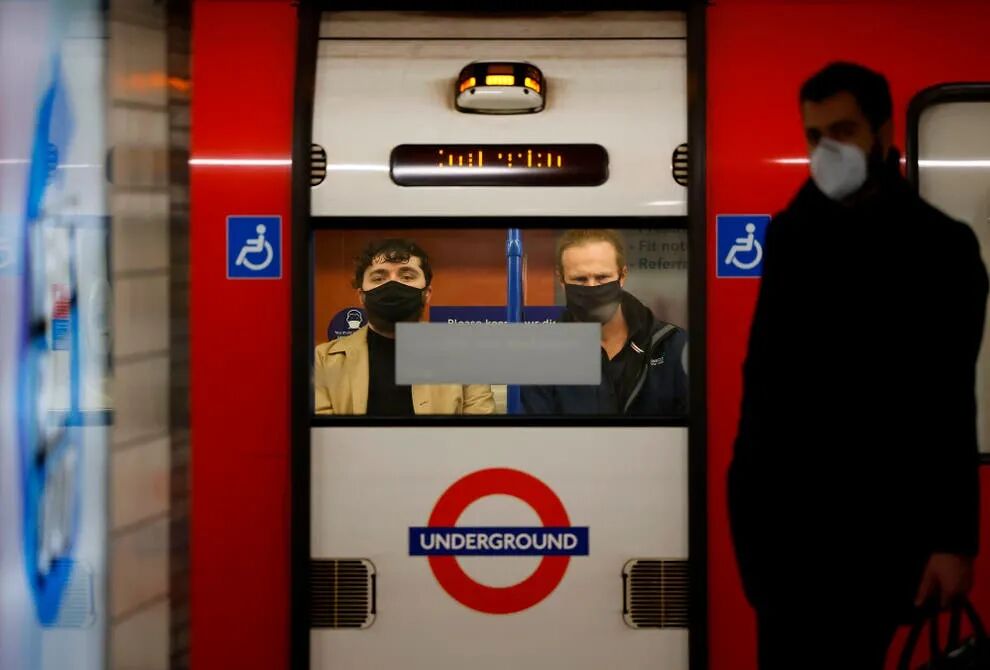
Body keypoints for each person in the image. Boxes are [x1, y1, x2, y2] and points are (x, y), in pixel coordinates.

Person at [728, 62, 989, 669]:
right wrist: (749, 516)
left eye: (843, 131)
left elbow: (949, 398)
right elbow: (763, 384)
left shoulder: (939, 247)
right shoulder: (793, 236)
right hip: (783, 541)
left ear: (883, 132)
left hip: (879, 533)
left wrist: (953, 542)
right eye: (814, 136)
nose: (827, 150)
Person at [314, 238, 495, 415]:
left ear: (427, 293)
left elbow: (480, 428)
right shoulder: (323, 360)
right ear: (362, 296)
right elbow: (321, 431)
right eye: (379, 278)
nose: (393, 285)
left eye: (407, 276)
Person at [521, 229, 688, 415]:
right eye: (580, 279)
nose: (592, 287)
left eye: (602, 277)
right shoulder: (542, 357)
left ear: (622, 276)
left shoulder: (673, 347)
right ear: (561, 280)